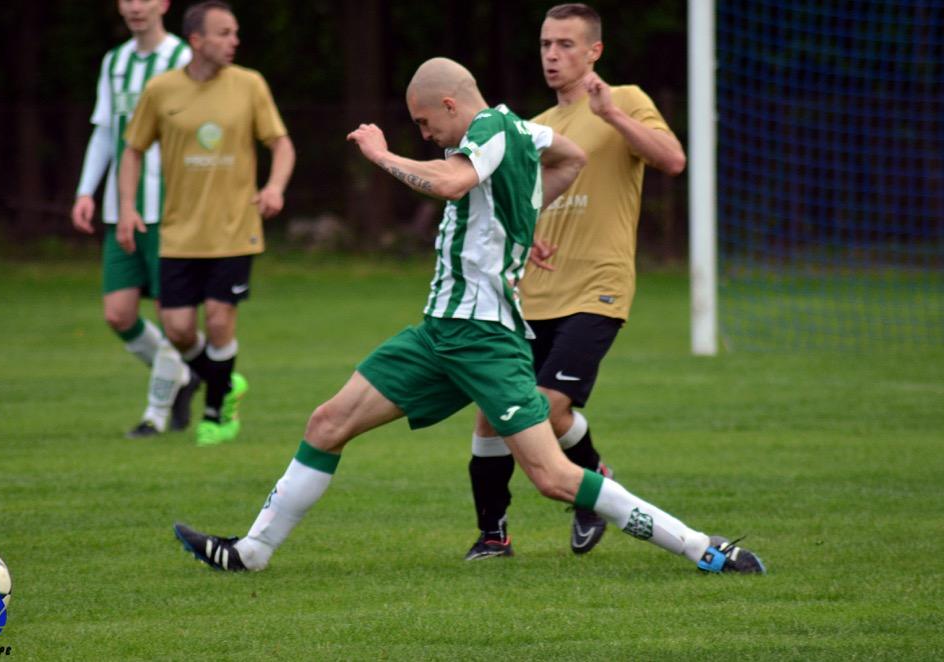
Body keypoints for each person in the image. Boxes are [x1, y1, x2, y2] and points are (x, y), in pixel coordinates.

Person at [172, 57, 764, 576]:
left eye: (426, 122)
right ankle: (252, 551)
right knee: (327, 423)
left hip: (485, 339)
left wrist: (381, 154)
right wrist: (521, 216)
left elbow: (454, 183)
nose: (427, 135)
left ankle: (701, 547)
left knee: (554, 478)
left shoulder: (490, 129)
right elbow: (571, 156)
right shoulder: (522, 130)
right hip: (438, 333)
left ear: (451, 105)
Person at [463, 2, 690, 561]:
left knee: (544, 407)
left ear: (594, 52)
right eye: (546, 44)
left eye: (565, 44)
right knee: (492, 413)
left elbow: (673, 160)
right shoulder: (535, 125)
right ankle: (494, 536)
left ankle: (591, 488)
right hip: (532, 295)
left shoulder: (625, 99)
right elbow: (521, 203)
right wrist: (526, 236)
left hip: (597, 288)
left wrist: (612, 115)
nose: (552, 55)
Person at [117, 0, 296, 446]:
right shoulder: (161, 90)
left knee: (218, 321)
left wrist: (274, 187)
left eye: (235, 32)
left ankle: (217, 416)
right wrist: (126, 207)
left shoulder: (249, 84)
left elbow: (281, 145)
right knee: (177, 328)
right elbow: (132, 150)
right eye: (224, 33)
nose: (234, 41)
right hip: (179, 233)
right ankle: (225, 380)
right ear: (196, 40)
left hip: (235, 229)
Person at [71, 0, 200, 439]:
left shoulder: (182, 57)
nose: (135, 7)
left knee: (172, 317)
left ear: (163, 4)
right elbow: (106, 130)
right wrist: (86, 190)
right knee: (118, 314)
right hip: (120, 208)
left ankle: (155, 415)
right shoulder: (115, 61)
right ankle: (187, 372)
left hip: (170, 209)